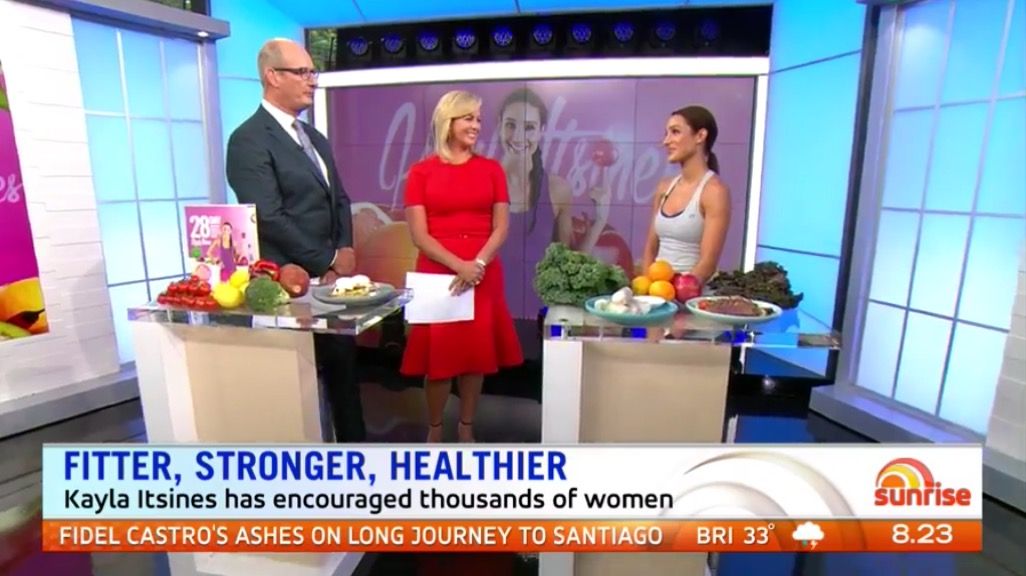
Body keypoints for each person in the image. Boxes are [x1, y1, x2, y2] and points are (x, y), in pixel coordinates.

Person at [225, 38, 364, 442]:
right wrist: (328, 259)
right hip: (287, 287)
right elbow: (269, 215)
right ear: (272, 76)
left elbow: (339, 198)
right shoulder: (248, 139)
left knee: (344, 382)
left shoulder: (315, 138)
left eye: (312, 72)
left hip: (330, 287)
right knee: (296, 395)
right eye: (302, 72)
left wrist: (345, 250)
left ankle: (361, 464)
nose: (312, 81)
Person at [400, 90, 524, 443]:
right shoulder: (421, 173)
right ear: (448, 121)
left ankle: (466, 427)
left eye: (479, 120)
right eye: (468, 118)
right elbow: (419, 235)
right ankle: (435, 429)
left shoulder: (492, 169)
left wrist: (477, 264)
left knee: (474, 357)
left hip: (482, 273)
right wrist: (460, 266)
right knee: (438, 360)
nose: (476, 126)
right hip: (438, 274)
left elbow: (501, 227)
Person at [496, 88, 612, 317]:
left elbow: (569, 265)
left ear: (541, 131)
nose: (518, 136)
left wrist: (600, 220)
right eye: (510, 125)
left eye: (529, 127)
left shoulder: (557, 189)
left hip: (541, 317)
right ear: (499, 125)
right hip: (489, 316)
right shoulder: (480, 185)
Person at [643, 106, 730, 282]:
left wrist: (676, 292)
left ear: (700, 136)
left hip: (692, 292)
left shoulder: (715, 191)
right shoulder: (664, 187)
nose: (666, 141)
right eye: (666, 133)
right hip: (657, 291)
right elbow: (650, 249)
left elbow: (707, 264)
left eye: (675, 132)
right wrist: (646, 289)